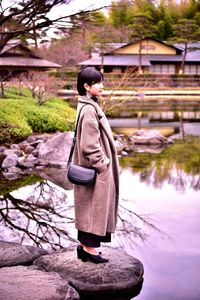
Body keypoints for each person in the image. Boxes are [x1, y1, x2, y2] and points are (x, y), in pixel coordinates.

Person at [73, 66, 119, 264]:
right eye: (98, 82)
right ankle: (90, 250)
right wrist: (103, 164)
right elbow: (89, 145)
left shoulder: (86, 105)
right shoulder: (90, 109)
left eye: (101, 81)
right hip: (94, 168)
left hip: (90, 167)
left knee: (88, 207)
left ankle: (85, 248)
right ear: (86, 86)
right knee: (94, 207)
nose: (102, 86)